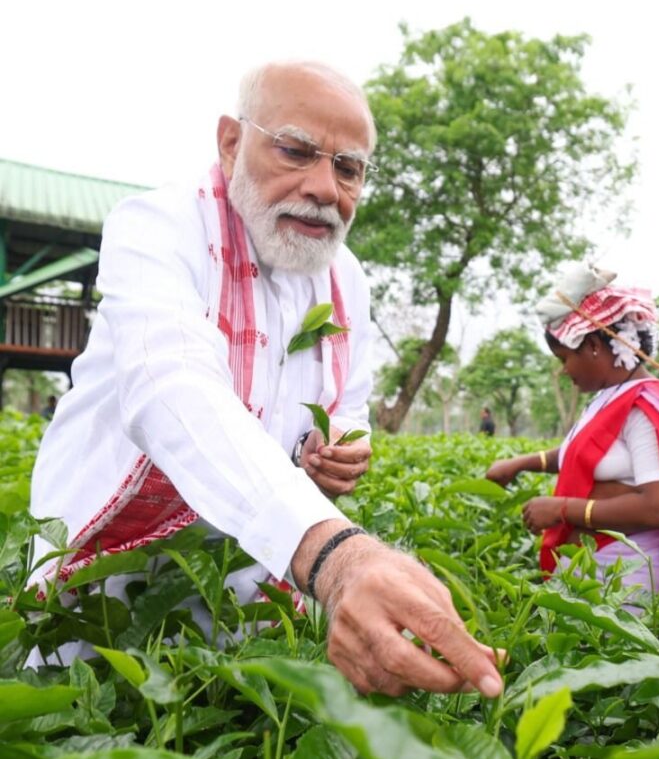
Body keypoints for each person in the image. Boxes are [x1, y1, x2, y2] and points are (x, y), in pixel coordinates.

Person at [27, 61, 504, 699]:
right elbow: (171, 385)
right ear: (231, 142)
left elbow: (349, 402)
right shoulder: (160, 228)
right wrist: (337, 556)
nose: (324, 188)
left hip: (248, 589)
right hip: (108, 586)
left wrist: (341, 449)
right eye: (296, 150)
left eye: (348, 168)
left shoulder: (346, 279)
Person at [485, 265, 659, 595]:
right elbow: (585, 455)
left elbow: (656, 508)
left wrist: (560, 508)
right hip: (600, 573)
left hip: (629, 581)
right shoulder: (610, 398)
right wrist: (520, 464)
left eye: (564, 358)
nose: (564, 371)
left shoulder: (643, 406)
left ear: (592, 345)